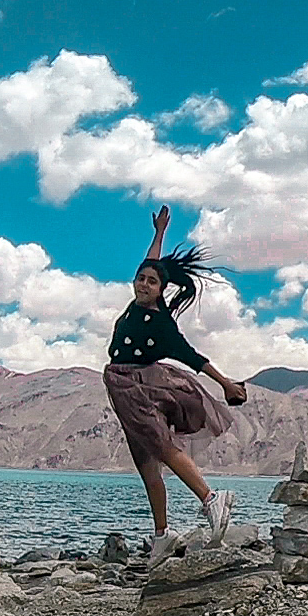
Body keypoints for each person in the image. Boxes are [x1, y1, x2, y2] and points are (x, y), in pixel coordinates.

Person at [102, 205, 247, 560]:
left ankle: (211, 499)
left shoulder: (161, 323)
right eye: (141, 279)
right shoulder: (136, 305)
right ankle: (162, 535)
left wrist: (225, 383)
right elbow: (151, 262)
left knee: (162, 446)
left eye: (152, 282)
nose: (144, 284)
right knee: (145, 462)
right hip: (120, 386)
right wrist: (159, 233)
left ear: (161, 290)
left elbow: (192, 357)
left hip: (137, 386)